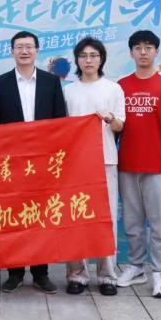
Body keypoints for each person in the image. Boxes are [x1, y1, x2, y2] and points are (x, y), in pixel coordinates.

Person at [0, 30, 67, 294]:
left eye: (29, 46)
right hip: (11, 163)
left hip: (43, 162)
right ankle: (15, 272)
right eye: (19, 46)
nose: (24, 51)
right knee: (13, 216)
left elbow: (59, 122)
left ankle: (41, 273)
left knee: (41, 216)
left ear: (37, 51)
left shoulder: (50, 82)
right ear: (12, 51)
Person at [116, 30, 161, 298]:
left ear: (156, 51)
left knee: (159, 223)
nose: (143, 52)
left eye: (148, 47)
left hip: (158, 166)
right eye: (138, 47)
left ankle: (159, 272)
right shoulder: (120, 85)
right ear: (131, 52)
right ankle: (136, 267)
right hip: (127, 165)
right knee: (132, 222)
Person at [63, 37, 125, 296]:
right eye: (83, 55)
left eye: (93, 55)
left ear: (101, 59)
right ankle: (77, 275)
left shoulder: (113, 89)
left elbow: (120, 125)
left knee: (106, 218)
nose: (88, 60)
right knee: (75, 217)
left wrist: (110, 119)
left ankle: (107, 275)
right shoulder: (69, 91)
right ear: (77, 60)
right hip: (75, 163)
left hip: (105, 160)